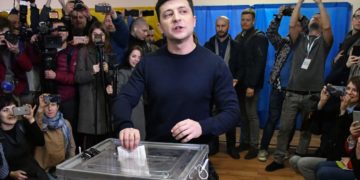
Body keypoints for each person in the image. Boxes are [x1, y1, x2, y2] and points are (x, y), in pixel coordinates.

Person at [113, 0, 240, 179]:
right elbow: (124, 98)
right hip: (157, 160)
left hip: (197, 160)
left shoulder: (215, 64)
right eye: (168, 14)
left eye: (182, 11)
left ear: (194, 20)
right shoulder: (148, 64)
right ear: (160, 27)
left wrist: (202, 127)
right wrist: (125, 126)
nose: (176, 18)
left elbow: (232, 112)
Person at [266, 0, 333, 171]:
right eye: (313, 18)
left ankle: (300, 158)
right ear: (308, 24)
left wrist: (319, 4)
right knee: (285, 128)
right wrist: (299, 2)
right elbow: (292, 24)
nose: (315, 18)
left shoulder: (324, 43)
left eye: (319, 18)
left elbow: (326, 28)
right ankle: (279, 158)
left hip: (312, 95)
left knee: (305, 130)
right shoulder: (299, 40)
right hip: (292, 94)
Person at [258, 5, 309, 162]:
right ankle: (264, 148)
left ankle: (283, 149)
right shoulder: (283, 42)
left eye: (298, 26)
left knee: (290, 124)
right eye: (293, 26)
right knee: (272, 119)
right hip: (278, 89)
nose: (296, 28)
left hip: (294, 91)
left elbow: (308, 26)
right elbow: (270, 33)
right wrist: (279, 16)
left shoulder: (306, 44)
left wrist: (297, 14)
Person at [290, 76, 360, 180]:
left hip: (342, 157)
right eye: (348, 88)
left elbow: (341, 140)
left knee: (304, 164)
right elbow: (314, 129)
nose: (349, 92)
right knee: (294, 160)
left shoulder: (356, 114)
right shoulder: (337, 104)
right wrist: (321, 103)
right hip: (326, 152)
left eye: (354, 90)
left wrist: (343, 112)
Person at [233, 8, 269, 160]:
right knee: (242, 115)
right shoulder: (239, 36)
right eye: (243, 20)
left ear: (253, 21)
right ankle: (244, 142)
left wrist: (252, 85)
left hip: (251, 84)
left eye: (248, 20)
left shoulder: (259, 37)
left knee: (252, 115)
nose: (245, 22)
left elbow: (259, 64)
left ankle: (254, 145)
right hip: (239, 84)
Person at [204, 15, 240, 159]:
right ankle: (214, 146)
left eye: (223, 26)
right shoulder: (209, 44)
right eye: (218, 26)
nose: (220, 29)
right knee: (212, 116)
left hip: (230, 87)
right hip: (212, 86)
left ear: (228, 26)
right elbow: (203, 65)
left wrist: (237, 78)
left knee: (229, 116)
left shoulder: (237, 45)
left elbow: (241, 65)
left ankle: (231, 147)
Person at [75, 22, 112, 149]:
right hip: (89, 103)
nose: (98, 37)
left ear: (105, 37)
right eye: (95, 34)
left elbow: (112, 80)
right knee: (89, 142)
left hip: (104, 104)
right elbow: (78, 77)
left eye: (101, 35)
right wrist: (92, 70)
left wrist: (108, 71)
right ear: (90, 36)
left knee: (104, 143)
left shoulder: (106, 52)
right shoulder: (83, 51)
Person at [0, 95, 48, 179]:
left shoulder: (22, 125)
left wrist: (31, 119)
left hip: (36, 173)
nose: (11, 113)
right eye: (5, 110)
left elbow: (40, 142)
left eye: (13, 109)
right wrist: (10, 174)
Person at [107, 45, 145, 139]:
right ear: (128, 57)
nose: (136, 60)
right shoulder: (122, 72)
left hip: (142, 113)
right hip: (131, 114)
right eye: (133, 56)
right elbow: (117, 92)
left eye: (139, 57)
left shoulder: (145, 72)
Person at [34, 93, 76, 179]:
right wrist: (40, 108)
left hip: (61, 167)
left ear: (58, 107)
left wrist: (69, 166)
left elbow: (71, 147)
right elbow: (36, 125)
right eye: (46, 106)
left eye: (53, 105)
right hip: (42, 169)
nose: (50, 108)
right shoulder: (39, 123)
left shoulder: (65, 123)